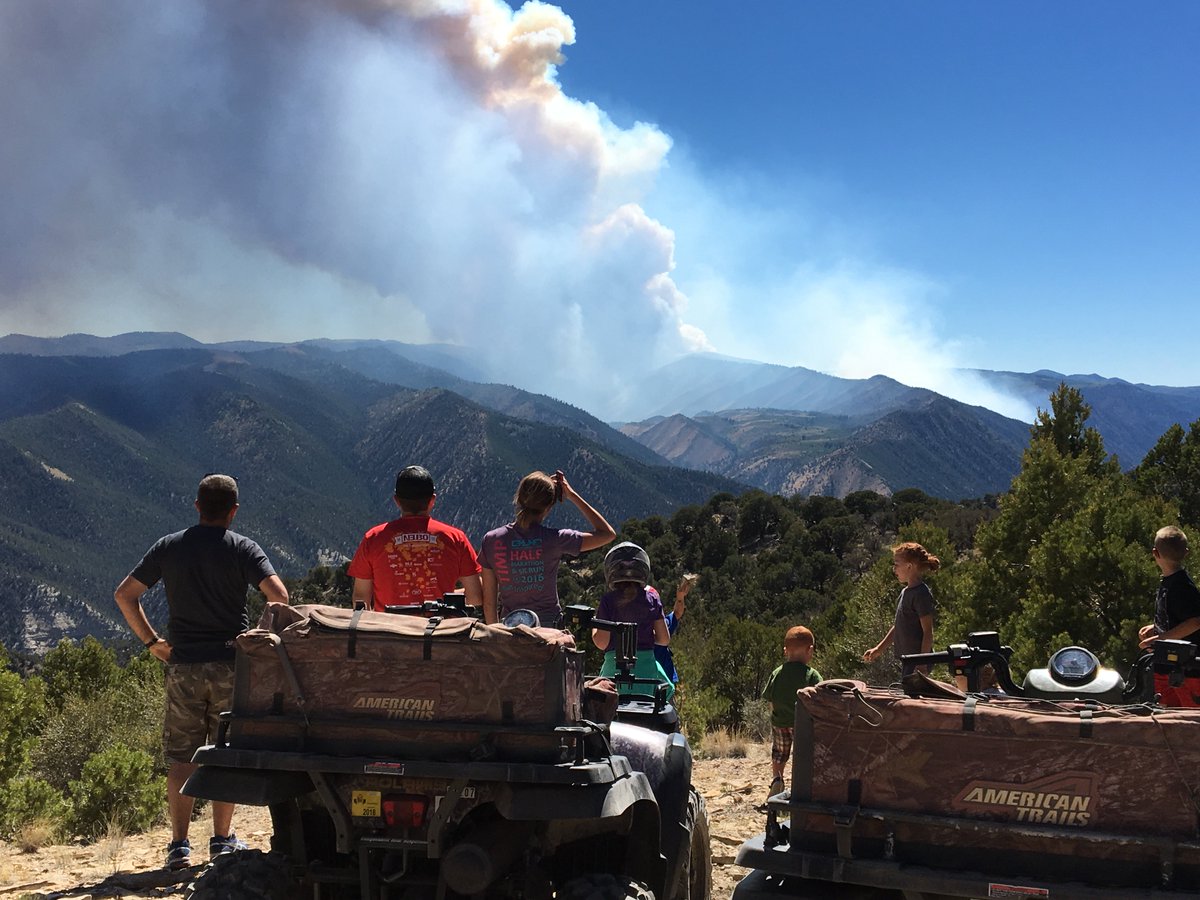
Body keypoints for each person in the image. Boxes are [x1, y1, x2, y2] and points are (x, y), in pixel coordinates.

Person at [114, 474, 289, 871]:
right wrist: (257, 637)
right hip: (231, 664)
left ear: (196, 506)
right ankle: (222, 840)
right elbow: (279, 597)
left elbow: (125, 595)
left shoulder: (169, 547)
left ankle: (179, 845)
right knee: (223, 756)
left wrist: (152, 642)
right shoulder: (243, 548)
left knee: (181, 759)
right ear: (234, 511)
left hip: (184, 665)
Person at [481, 470, 615, 627]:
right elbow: (607, 534)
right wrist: (572, 495)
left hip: (510, 629)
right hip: (549, 630)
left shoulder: (491, 540)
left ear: (518, 499)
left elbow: (489, 604)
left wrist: (496, 639)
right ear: (548, 508)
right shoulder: (556, 539)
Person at [348, 466, 482, 612]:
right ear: (432, 500)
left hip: (388, 631)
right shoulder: (455, 538)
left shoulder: (373, 538)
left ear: (396, 501)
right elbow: (475, 597)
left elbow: (361, 599)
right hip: (439, 630)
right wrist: (448, 597)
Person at [591, 542, 674, 701]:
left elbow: (601, 642)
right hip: (646, 672)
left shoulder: (608, 601)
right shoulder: (652, 598)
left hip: (613, 671)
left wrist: (594, 628)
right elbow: (664, 639)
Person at [862, 542, 940, 676]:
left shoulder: (921, 594)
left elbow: (928, 631)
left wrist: (922, 662)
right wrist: (878, 649)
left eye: (897, 564)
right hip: (907, 660)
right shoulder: (905, 592)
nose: (894, 569)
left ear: (909, 566)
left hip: (916, 662)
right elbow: (898, 626)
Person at [762, 625, 822, 799]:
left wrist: (776, 717)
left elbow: (770, 699)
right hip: (802, 724)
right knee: (803, 755)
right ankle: (801, 786)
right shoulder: (811, 675)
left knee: (779, 754)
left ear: (785, 651)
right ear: (810, 650)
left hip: (780, 722)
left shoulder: (777, 673)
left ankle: (777, 780)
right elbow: (819, 699)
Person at [1138, 525, 1200, 649]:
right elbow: (1177, 619)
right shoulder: (1170, 582)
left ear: (1155, 553)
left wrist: (1160, 639)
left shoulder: (1181, 586)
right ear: (1186, 552)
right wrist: (1156, 628)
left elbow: (1195, 621)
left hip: (1185, 663)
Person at [654, 572, 698, 684]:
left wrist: (680, 597)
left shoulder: (662, 625)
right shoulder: (636, 630)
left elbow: (677, 613)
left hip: (665, 682)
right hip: (649, 683)